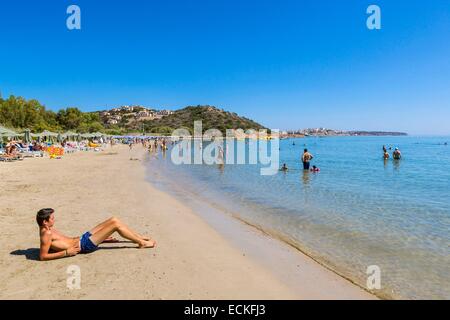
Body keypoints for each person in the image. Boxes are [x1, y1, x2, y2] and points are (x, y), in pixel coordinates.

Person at [36, 208, 156, 261]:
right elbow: (43, 256)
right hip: (85, 245)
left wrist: (102, 238)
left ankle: (138, 237)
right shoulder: (46, 234)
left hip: (83, 237)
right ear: (45, 222)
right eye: (52, 218)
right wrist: (66, 253)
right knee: (115, 225)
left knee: (114, 219)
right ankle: (142, 243)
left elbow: (54, 246)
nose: (54, 219)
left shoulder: (47, 229)